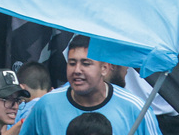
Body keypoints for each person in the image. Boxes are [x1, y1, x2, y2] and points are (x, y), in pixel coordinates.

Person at [21, 35, 160, 135]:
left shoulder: (136, 109)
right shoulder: (46, 105)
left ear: (104, 68)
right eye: (72, 63)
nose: (77, 70)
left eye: (86, 64)